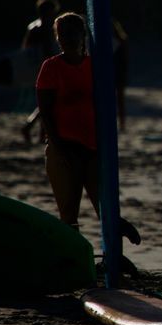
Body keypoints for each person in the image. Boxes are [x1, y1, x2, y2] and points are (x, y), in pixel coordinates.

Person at [36, 13, 100, 226]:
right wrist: (60, 148)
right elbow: (45, 112)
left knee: (105, 210)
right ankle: (73, 259)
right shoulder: (51, 67)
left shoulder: (96, 67)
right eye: (62, 34)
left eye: (73, 32)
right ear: (57, 38)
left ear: (83, 35)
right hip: (62, 149)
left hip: (93, 150)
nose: (68, 38)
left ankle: (112, 256)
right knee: (69, 215)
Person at [21, 0, 62, 143]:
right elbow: (34, 51)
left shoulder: (34, 27)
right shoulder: (43, 28)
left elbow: (25, 49)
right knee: (47, 103)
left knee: (46, 103)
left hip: (41, 69)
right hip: (44, 69)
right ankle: (32, 129)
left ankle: (39, 133)